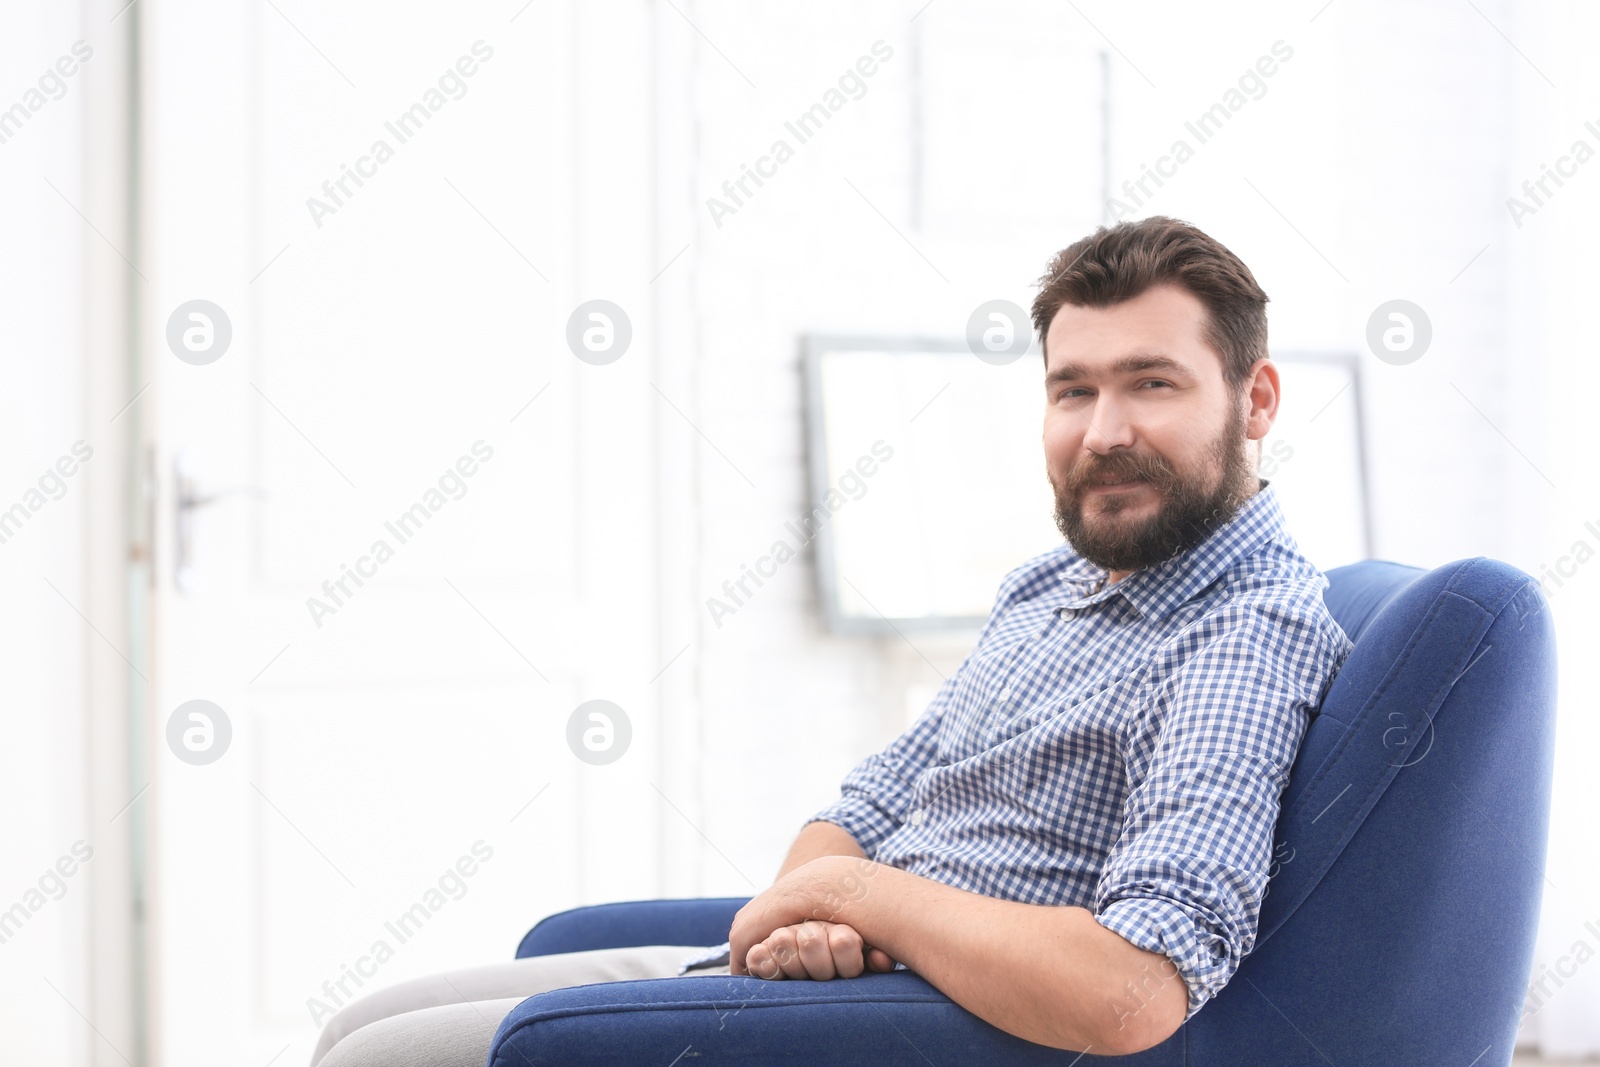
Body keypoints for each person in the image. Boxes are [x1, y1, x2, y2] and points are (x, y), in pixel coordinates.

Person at [312, 215, 1352, 1064]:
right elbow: (867, 805)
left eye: (1151, 383)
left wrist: (859, 901)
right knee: (356, 1026)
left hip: (915, 1025)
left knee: (381, 1058)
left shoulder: (1242, 632)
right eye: (1072, 388)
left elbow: (1133, 986)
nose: (1101, 430)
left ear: (1253, 400)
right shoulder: (1051, 586)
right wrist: (827, 912)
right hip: (848, 976)